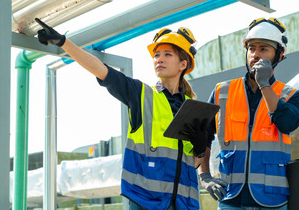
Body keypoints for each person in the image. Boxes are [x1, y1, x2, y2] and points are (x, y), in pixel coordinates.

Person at [35, 18, 208, 210]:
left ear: (183, 64)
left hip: (183, 204)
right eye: (157, 54)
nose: (159, 58)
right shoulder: (141, 94)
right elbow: (101, 70)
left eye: (167, 54)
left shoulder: (192, 109)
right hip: (146, 201)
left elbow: (190, 164)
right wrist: (63, 42)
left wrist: (200, 149)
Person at [198, 17, 299, 210]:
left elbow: (287, 123)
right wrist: (205, 176)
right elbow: (202, 136)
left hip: (272, 201)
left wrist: (264, 85)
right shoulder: (223, 91)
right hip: (231, 199)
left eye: (263, 49)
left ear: (279, 55)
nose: (255, 54)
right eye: (251, 48)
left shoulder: (291, 95)